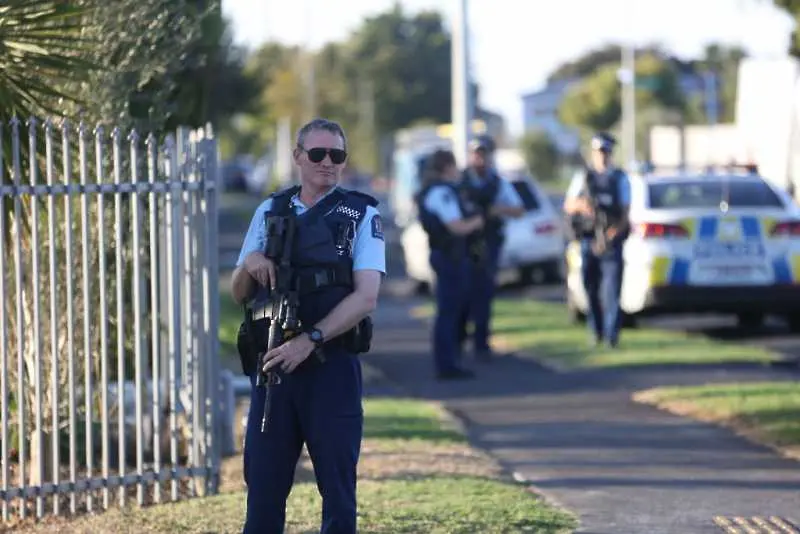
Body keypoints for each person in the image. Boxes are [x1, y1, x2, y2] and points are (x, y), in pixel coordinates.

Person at [230, 118, 386, 534]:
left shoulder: (361, 214)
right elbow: (238, 292)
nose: (328, 163)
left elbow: (366, 297)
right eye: (318, 154)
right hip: (274, 368)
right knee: (263, 486)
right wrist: (251, 261)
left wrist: (310, 340)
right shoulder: (271, 209)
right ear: (298, 156)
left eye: (337, 155)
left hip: (330, 368)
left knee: (337, 491)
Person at [416, 149, 484, 380]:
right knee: (448, 312)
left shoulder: (437, 191)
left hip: (448, 256)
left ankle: (451, 360)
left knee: (453, 310)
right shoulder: (442, 193)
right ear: (447, 167)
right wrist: (478, 221)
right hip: (449, 257)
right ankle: (447, 364)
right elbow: (456, 227)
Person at [457, 134, 525, 361]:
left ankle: (481, 342)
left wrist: (498, 210)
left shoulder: (498, 183)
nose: (479, 159)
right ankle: (459, 338)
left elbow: (518, 210)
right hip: (463, 243)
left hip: (489, 243)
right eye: (476, 154)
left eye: (483, 154)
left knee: (484, 292)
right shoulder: (459, 182)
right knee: (463, 292)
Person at [563, 132, 631, 348]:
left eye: (606, 152)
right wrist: (584, 206)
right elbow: (569, 205)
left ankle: (612, 336)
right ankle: (596, 331)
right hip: (588, 239)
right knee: (590, 288)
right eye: (599, 152)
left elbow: (625, 214)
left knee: (611, 291)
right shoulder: (583, 177)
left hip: (610, 241)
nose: (602, 156)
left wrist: (611, 235)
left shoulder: (619, 178)